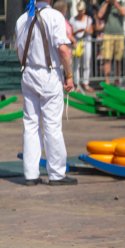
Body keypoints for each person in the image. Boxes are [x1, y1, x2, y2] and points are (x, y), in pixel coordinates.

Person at [15, 0, 78, 186]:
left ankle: (30, 174)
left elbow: (19, 50)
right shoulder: (55, 16)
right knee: (52, 125)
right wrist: (69, 76)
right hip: (49, 73)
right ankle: (57, 174)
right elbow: (63, 50)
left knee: (30, 124)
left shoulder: (22, 19)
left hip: (28, 72)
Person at [98, 0, 125, 85]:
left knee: (118, 59)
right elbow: (100, 15)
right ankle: (107, 81)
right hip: (108, 34)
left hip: (119, 35)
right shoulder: (105, 4)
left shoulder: (121, 3)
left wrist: (115, 3)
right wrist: (107, 3)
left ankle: (117, 80)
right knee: (107, 59)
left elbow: (123, 13)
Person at [70, 1, 95, 92]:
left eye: (82, 10)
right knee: (76, 64)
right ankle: (76, 83)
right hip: (77, 42)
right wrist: (78, 31)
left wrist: (88, 30)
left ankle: (86, 83)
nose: (80, 12)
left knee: (86, 63)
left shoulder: (88, 19)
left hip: (86, 42)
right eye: (79, 10)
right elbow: (70, 33)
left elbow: (92, 31)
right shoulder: (73, 19)